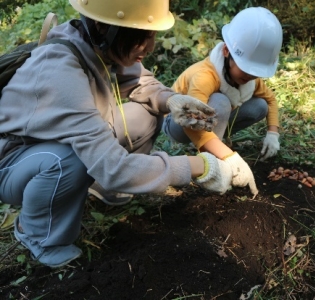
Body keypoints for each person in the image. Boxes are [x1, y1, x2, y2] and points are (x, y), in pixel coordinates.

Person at [0, 0, 256, 268]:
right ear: (104, 26)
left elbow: (141, 82)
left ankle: (104, 188)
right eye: (142, 37)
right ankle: (37, 234)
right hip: (14, 159)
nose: (150, 47)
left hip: (63, 139)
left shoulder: (97, 44)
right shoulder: (60, 70)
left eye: (152, 35)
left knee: (146, 113)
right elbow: (116, 167)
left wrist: (171, 101)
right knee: (69, 160)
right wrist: (203, 165)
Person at [162, 6, 282, 191]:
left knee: (260, 105)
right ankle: (212, 161)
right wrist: (228, 157)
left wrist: (273, 134)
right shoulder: (205, 75)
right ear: (227, 51)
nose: (251, 76)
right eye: (246, 68)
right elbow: (192, 122)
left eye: (255, 72)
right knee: (220, 101)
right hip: (178, 123)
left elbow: (271, 100)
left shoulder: (249, 79)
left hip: (209, 120)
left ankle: (215, 145)